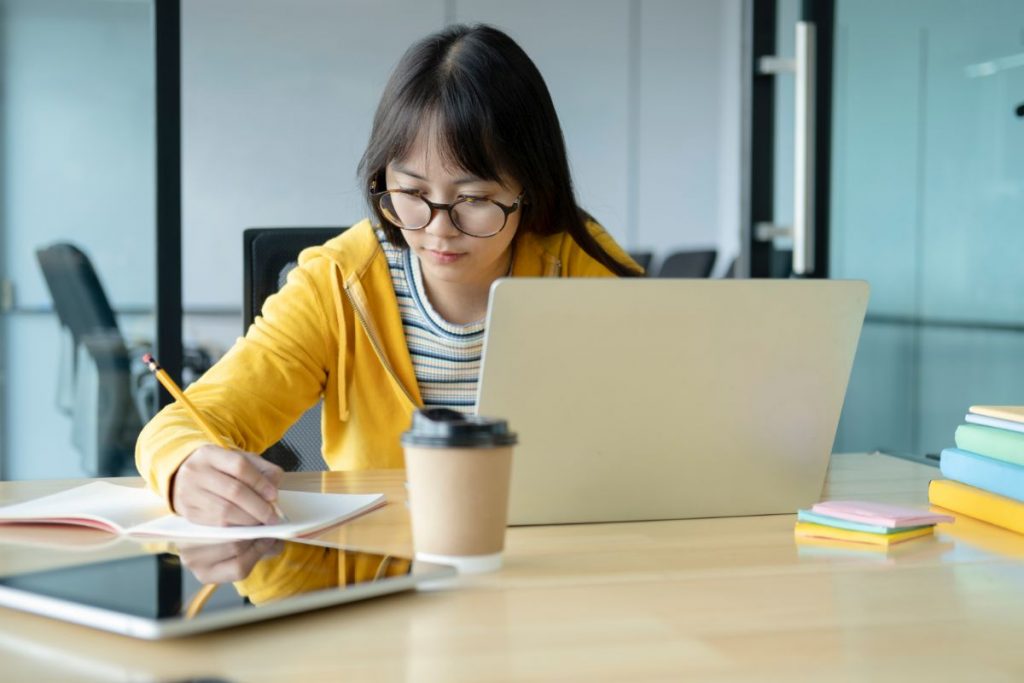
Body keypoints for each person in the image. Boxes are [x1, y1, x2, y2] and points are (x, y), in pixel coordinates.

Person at [135, 23, 641, 526]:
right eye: (413, 193)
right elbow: (186, 423)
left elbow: (665, 413)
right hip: (376, 558)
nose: (439, 229)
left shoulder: (576, 264)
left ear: (529, 189)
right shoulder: (337, 282)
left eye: (474, 199)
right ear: (382, 177)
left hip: (550, 553)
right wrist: (185, 467)